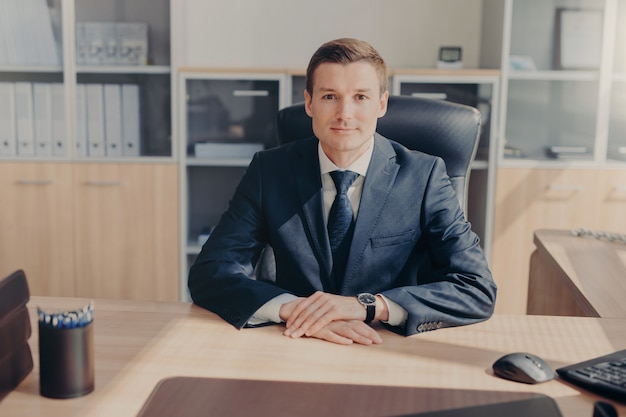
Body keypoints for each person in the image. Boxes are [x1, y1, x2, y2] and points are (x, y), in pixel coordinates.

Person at [188, 38, 497, 345]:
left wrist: (368, 306)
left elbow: (476, 288)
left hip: (388, 346)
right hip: (294, 340)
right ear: (309, 103)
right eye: (330, 96)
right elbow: (211, 272)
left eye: (360, 97)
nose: (344, 113)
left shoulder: (424, 176)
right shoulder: (269, 171)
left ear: (381, 104)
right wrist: (295, 309)